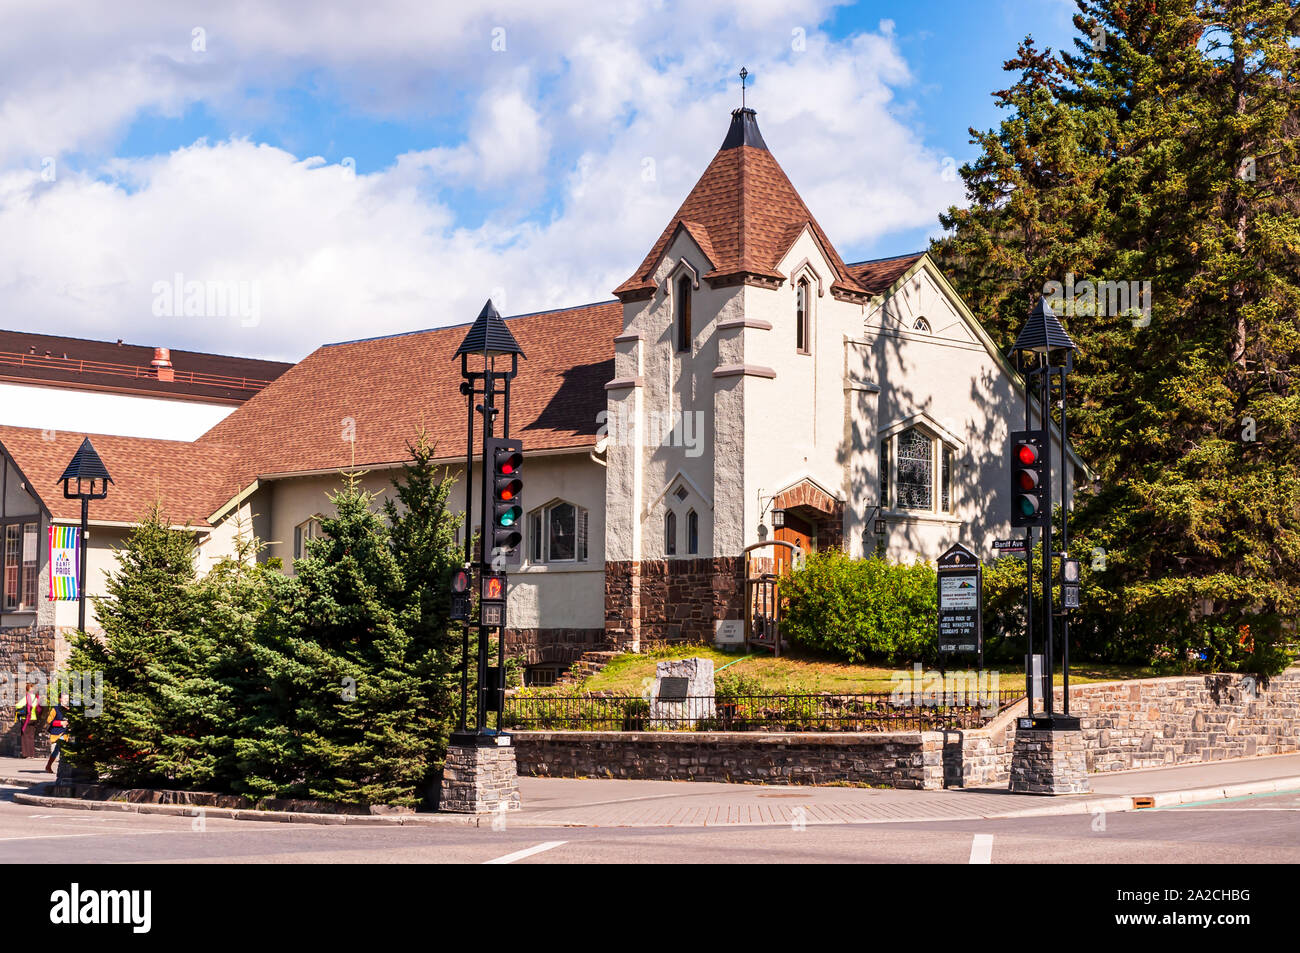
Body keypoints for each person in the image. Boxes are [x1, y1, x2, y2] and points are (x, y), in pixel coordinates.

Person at [45, 695, 69, 774]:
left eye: (68, 698)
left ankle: (49, 766)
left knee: (58, 749)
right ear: (60, 699)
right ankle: (62, 768)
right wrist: (60, 723)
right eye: (64, 698)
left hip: (67, 732)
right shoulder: (55, 709)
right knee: (60, 747)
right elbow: (49, 721)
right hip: (58, 733)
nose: (66, 700)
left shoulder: (70, 709)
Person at [16, 684, 40, 759]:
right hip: (34, 718)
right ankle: (31, 754)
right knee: (31, 736)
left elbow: (18, 706)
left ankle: (26, 754)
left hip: (26, 719)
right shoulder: (37, 698)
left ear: (27, 689)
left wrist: (16, 704)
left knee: (25, 736)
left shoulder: (27, 697)